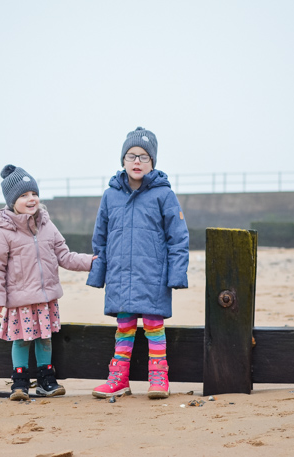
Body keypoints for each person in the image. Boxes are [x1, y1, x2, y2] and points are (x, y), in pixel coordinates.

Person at [87, 126, 189, 400]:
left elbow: (178, 237)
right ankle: (118, 378)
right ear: (123, 160)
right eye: (132, 156)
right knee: (124, 327)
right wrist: (99, 275)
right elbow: (100, 238)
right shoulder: (110, 196)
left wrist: (177, 274)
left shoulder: (164, 194)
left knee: (155, 325)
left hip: (153, 276)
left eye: (144, 157)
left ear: (152, 162)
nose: (137, 162)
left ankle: (159, 377)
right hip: (120, 276)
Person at [0, 164, 94, 401]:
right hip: (20, 300)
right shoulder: (4, 230)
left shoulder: (47, 225)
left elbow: (64, 256)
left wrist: (91, 262)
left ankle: (46, 379)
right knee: (21, 340)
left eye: (33, 193)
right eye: (24, 195)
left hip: (46, 299)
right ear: (12, 200)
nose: (31, 199)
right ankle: (20, 382)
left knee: (45, 338)